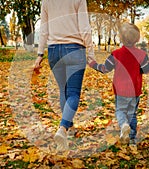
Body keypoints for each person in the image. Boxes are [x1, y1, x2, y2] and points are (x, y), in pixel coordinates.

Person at [34, 0, 94, 151]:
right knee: (73, 93)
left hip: (54, 51)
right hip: (74, 49)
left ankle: (69, 127)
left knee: (63, 90)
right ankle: (63, 128)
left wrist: (40, 54)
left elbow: (44, 30)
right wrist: (91, 51)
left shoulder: (46, 1)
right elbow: (84, 27)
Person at [88, 22, 149, 145]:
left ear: (121, 38)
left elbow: (105, 68)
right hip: (135, 90)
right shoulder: (142, 55)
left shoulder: (116, 54)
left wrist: (93, 64)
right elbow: (146, 70)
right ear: (137, 38)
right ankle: (132, 138)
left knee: (120, 111)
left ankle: (123, 125)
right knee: (132, 114)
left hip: (120, 90)